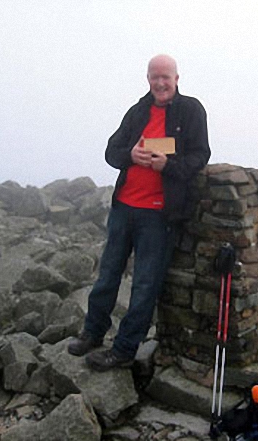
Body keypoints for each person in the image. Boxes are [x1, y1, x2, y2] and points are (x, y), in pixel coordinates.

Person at [68, 54, 211, 371]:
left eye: (166, 77)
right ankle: (92, 334)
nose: (160, 83)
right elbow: (111, 151)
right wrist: (130, 154)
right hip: (124, 208)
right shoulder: (137, 111)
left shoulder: (190, 111)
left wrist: (168, 166)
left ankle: (123, 350)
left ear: (177, 79)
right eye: (154, 77)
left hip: (158, 216)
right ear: (148, 78)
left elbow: (201, 154)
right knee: (107, 276)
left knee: (145, 286)